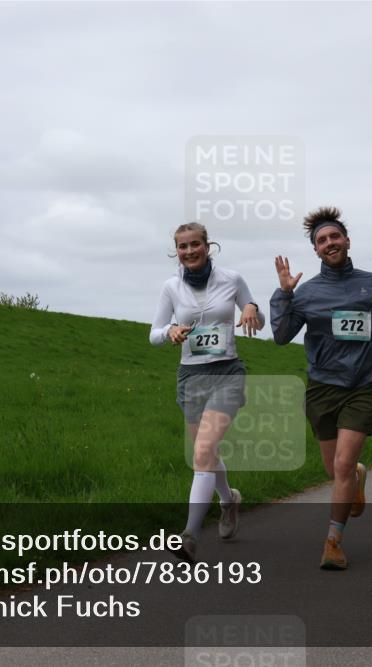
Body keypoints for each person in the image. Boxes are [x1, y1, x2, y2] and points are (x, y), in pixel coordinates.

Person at [270, 206, 372, 570]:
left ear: (347, 240)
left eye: (334, 236)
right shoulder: (306, 293)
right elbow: (280, 336)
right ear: (316, 250)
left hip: (363, 384)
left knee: (341, 464)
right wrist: (284, 296)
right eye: (322, 240)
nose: (329, 243)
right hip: (322, 387)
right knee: (336, 469)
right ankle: (356, 476)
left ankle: (333, 542)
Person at [150, 222, 265, 563]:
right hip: (190, 377)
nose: (189, 251)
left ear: (207, 246)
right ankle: (229, 501)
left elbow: (256, 319)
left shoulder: (232, 279)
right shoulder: (171, 287)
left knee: (203, 450)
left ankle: (189, 537)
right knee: (205, 455)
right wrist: (170, 331)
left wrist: (251, 310)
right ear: (176, 251)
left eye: (195, 244)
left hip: (227, 373)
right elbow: (153, 333)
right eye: (182, 247)